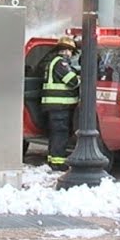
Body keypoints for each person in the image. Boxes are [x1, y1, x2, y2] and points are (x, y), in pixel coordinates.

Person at [41, 36, 81, 171]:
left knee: (55, 133)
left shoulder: (53, 62)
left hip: (54, 106)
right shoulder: (61, 64)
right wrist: (80, 78)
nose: (70, 54)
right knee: (60, 133)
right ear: (65, 50)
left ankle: (53, 159)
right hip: (59, 106)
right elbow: (72, 82)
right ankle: (59, 162)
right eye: (70, 51)